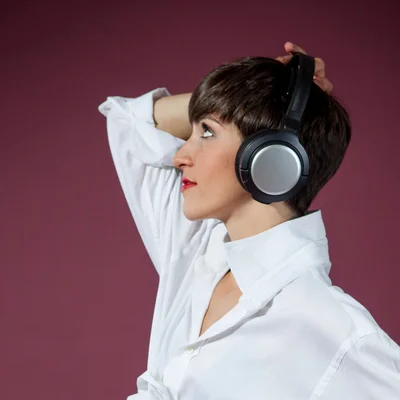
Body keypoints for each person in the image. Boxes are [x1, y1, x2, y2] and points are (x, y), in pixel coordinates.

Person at [98, 42, 400, 399]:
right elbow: (128, 122)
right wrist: (253, 92)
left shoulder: (334, 329)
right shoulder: (196, 253)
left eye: (206, 132)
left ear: (272, 158)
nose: (180, 154)